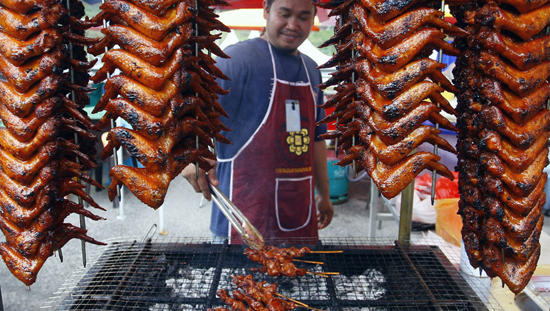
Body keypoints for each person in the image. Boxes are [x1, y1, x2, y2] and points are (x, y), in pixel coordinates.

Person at [182, 0, 334, 244]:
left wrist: (324, 195)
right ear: (266, 10)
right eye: (284, 14)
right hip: (243, 217)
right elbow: (191, 114)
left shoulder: (312, 70)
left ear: (314, 16)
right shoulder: (235, 60)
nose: (293, 25)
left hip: (299, 216)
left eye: (304, 17)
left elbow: (317, 139)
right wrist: (191, 155)